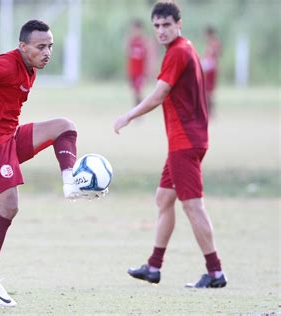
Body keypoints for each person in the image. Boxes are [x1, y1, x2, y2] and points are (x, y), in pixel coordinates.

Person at [0, 20, 102, 308]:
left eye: (50, 46)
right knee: (9, 206)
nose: (47, 52)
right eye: (41, 47)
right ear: (23, 47)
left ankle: (70, 183)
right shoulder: (7, 64)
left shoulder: (31, 69)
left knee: (64, 127)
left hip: (8, 137)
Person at [113, 2, 227, 288]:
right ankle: (153, 267)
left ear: (179, 24)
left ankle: (215, 273)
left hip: (185, 143)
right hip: (186, 140)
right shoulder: (184, 47)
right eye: (157, 26)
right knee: (164, 199)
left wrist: (128, 115)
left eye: (166, 25)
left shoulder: (178, 52)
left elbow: (159, 94)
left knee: (192, 206)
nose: (161, 31)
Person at [125, 19, 149, 106]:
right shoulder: (131, 42)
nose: (134, 32)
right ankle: (137, 110)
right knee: (135, 91)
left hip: (141, 72)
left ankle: (140, 110)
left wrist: (147, 72)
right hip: (133, 71)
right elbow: (128, 57)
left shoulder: (144, 42)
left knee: (138, 91)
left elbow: (148, 58)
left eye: (135, 29)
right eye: (132, 30)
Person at [201, 26, 222, 117]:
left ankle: (210, 112)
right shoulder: (214, 42)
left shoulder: (213, 43)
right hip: (211, 67)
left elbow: (212, 56)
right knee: (208, 92)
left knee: (208, 92)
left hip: (210, 69)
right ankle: (209, 112)